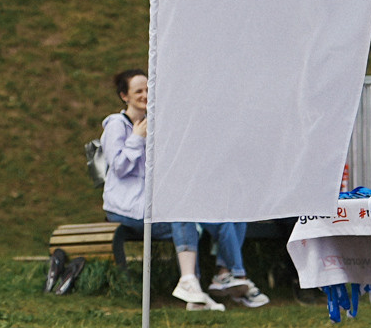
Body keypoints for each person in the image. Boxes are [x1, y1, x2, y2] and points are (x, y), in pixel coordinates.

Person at [93, 70, 265, 310]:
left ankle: (227, 275)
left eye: (149, 89)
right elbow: (119, 168)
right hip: (127, 208)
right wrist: (137, 138)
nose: (146, 95)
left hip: (159, 204)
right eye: (138, 91)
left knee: (229, 215)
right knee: (183, 217)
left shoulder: (159, 124)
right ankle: (197, 290)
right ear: (125, 96)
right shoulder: (116, 124)